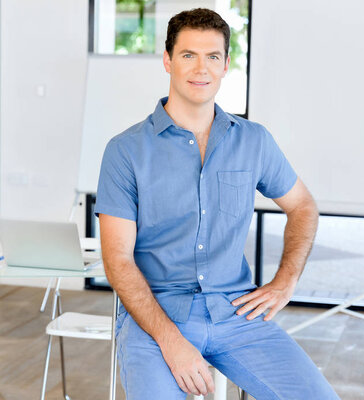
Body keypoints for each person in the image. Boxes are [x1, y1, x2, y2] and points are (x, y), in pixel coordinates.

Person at [95, 8, 340, 400]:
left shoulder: (254, 140)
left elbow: (303, 206)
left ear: (226, 65)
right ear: (168, 60)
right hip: (156, 317)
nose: (201, 68)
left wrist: (285, 282)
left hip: (237, 314)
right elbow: (118, 261)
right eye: (189, 55)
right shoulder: (125, 151)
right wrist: (172, 342)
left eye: (212, 57)